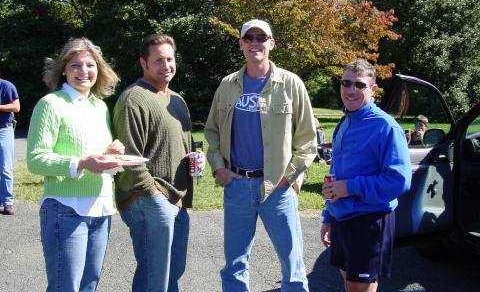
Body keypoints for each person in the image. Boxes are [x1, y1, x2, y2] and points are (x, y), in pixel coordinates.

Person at [205, 19, 317, 291]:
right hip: (238, 187)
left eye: (261, 37)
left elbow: (307, 141)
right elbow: (212, 132)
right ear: (241, 44)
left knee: (293, 266)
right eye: (249, 38)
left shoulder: (291, 84)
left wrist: (287, 181)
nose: (255, 42)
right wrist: (219, 168)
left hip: (277, 189)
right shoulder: (227, 85)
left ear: (271, 43)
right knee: (235, 265)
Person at [27, 37, 124, 292]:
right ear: (63, 70)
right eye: (75, 66)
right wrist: (81, 163)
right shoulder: (51, 104)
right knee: (65, 287)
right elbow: (36, 159)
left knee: (88, 286)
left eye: (90, 65)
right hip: (66, 209)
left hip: (101, 208)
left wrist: (112, 153)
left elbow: (96, 157)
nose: (84, 72)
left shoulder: (100, 107)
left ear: (99, 70)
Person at [113, 34, 205, 292]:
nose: (166, 65)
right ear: (144, 63)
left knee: (172, 272)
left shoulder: (176, 100)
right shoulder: (134, 99)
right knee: (155, 276)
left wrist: (195, 158)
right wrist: (153, 195)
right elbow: (129, 156)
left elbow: (183, 143)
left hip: (177, 200)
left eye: (170, 59)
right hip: (148, 200)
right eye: (158, 60)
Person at [320, 59, 411, 292]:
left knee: (358, 287)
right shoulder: (345, 122)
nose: (350, 90)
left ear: (373, 89)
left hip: (370, 220)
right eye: (346, 83)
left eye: (359, 85)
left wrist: (349, 188)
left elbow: (399, 180)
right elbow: (335, 175)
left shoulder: (385, 127)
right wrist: (328, 217)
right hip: (342, 218)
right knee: (348, 279)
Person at [0, 77, 20, 215]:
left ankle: (7, 202)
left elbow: (16, 106)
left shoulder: (6, 86)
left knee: (5, 168)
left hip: (4, 130)